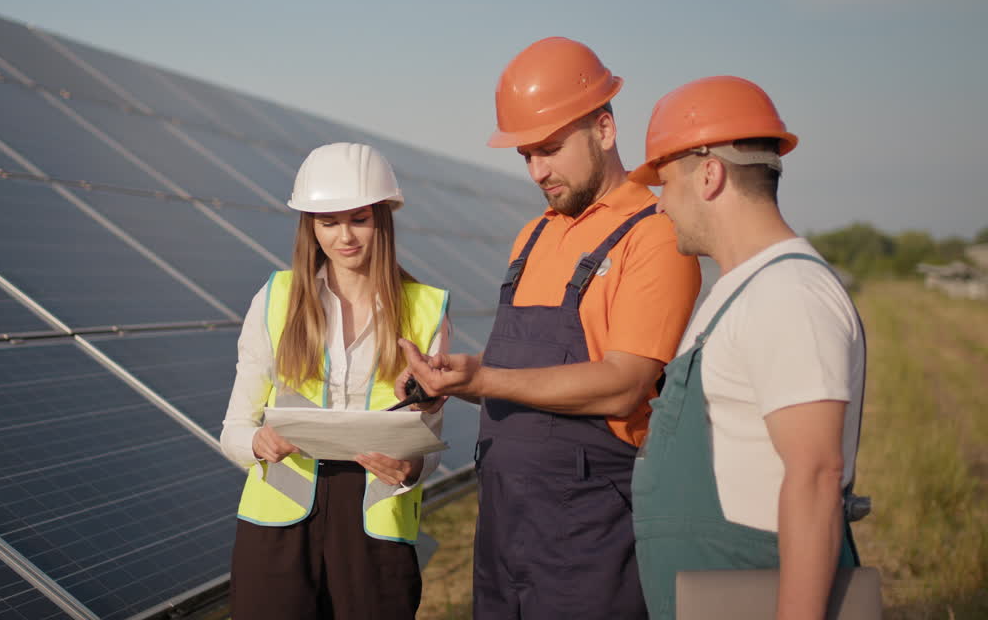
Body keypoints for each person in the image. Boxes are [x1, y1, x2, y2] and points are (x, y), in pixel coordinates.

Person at [398, 37, 701, 619]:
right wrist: (447, 382)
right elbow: (520, 377)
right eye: (526, 156)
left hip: (591, 534)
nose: (538, 171)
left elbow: (624, 384)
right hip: (504, 526)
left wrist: (482, 380)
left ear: (604, 129)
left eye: (551, 149)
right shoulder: (532, 236)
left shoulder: (655, 234)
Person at [626, 76, 867, 619]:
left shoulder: (788, 295)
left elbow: (815, 477)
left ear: (709, 175)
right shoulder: (742, 289)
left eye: (666, 184)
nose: (660, 207)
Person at [220, 141, 451, 620]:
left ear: (382, 218)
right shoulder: (275, 298)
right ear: (310, 226)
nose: (345, 236)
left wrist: (409, 470)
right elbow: (234, 429)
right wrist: (259, 443)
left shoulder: (427, 310)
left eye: (359, 219)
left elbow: (427, 438)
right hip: (277, 521)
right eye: (328, 222)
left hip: (375, 523)